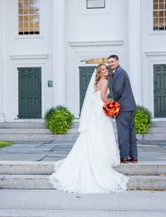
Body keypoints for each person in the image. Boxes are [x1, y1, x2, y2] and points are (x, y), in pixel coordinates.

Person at [49, 64, 128, 194]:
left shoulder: (96, 83)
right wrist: (111, 103)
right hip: (100, 110)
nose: (105, 71)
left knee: (94, 133)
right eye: (102, 70)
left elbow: (94, 97)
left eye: (105, 69)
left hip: (94, 111)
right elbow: (103, 97)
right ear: (99, 72)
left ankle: (95, 155)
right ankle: (101, 158)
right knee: (102, 134)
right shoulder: (105, 81)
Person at [107, 55, 138, 163]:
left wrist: (113, 103)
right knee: (130, 132)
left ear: (117, 61)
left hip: (124, 107)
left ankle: (124, 156)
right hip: (129, 106)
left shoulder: (119, 72)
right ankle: (133, 156)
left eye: (112, 61)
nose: (111, 64)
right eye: (109, 62)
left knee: (123, 132)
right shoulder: (121, 71)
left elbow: (117, 89)